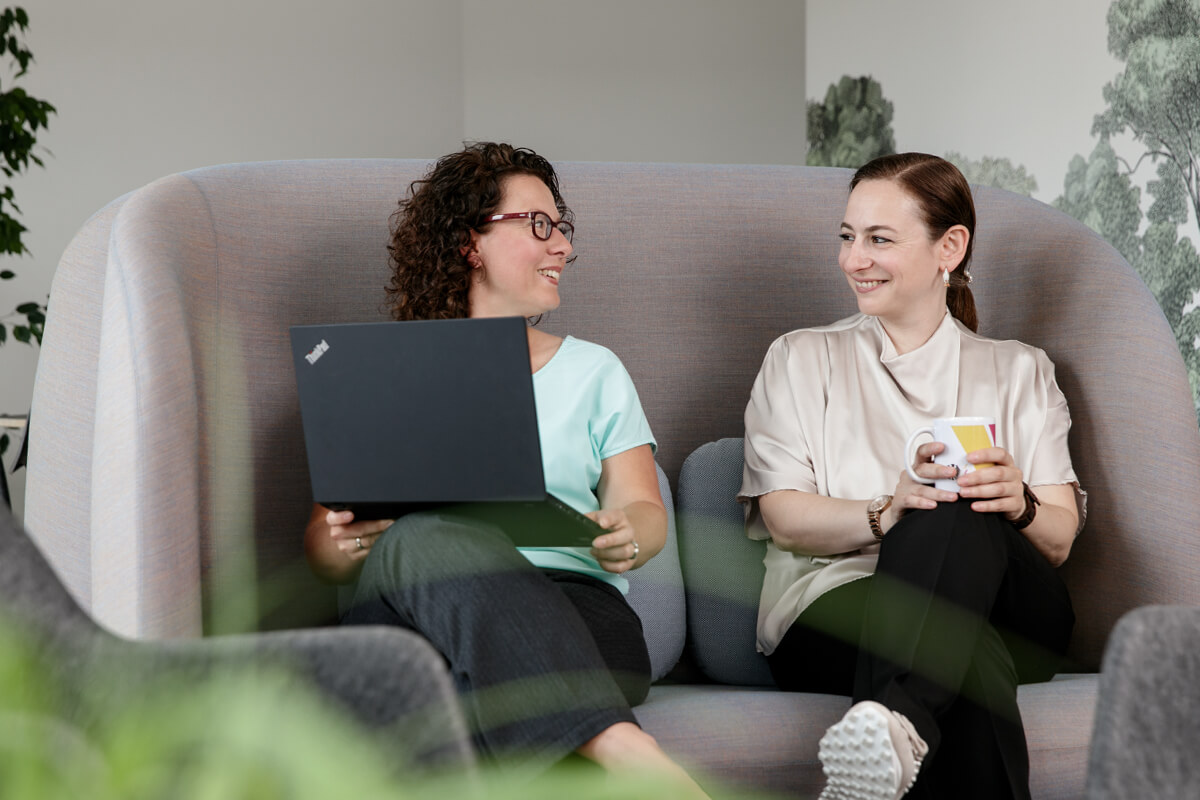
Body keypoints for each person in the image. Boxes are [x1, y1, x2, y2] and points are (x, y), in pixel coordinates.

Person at [303, 142, 704, 793]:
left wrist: (630, 531)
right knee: (421, 542)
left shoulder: (594, 370)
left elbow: (643, 509)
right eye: (539, 226)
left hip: (572, 614)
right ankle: (622, 747)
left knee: (413, 688)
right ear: (471, 243)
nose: (563, 248)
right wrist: (340, 544)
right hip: (413, 618)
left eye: (562, 229)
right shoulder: (382, 372)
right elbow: (323, 540)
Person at [739, 153, 1084, 800]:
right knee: (969, 655)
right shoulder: (800, 358)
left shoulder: (1021, 370)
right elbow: (783, 516)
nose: (852, 259)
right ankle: (902, 725)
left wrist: (1021, 504)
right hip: (834, 606)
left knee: (953, 504)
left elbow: (1060, 540)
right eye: (847, 237)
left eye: (878, 239)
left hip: (1015, 608)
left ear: (949, 247)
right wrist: (887, 511)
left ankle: (897, 723)